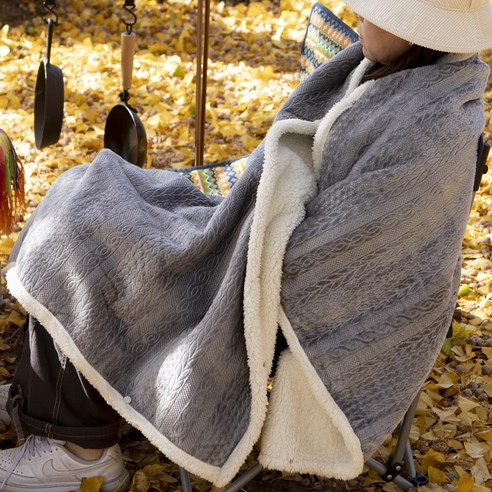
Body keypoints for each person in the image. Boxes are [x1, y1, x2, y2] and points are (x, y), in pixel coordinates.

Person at [1, 0, 492, 490]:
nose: (356, 12)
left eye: (376, 11)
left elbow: (339, 264)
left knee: (89, 227)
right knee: (88, 189)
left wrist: (241, 240)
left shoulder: (433, 129)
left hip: (294, 293)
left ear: (424, 35)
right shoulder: (397, 74)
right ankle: (50, 399)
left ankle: (79, 453)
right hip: (256, 231)